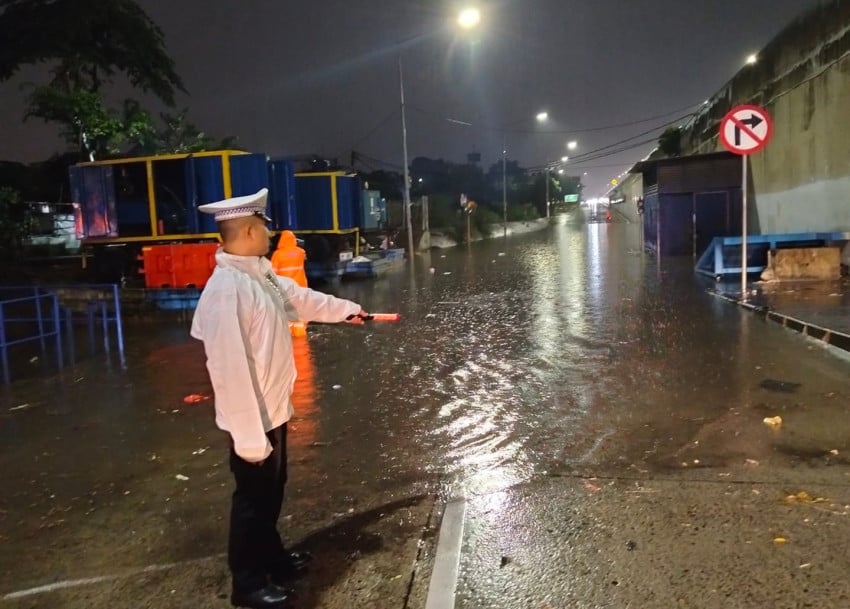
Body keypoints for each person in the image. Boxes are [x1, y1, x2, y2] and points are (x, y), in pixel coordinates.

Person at [191, 188, 368, 609]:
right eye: (266, 225)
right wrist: (250, 439)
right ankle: (248, 584)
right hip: (251, 420)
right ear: (249, 229)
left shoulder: (259, 274)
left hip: (273, 410)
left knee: (272, 494)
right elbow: (229, 371)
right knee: (252, 502)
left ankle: (273, 559)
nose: (271, 231)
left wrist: (347, 310)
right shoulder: (227, 291)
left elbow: (300, 300)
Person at [270, 230, 309, 336]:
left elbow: (272, 273)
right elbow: (304, 258)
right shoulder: (301, 252)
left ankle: (288, 333)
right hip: (300, 286)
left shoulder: (277, 255)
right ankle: (300, 332)